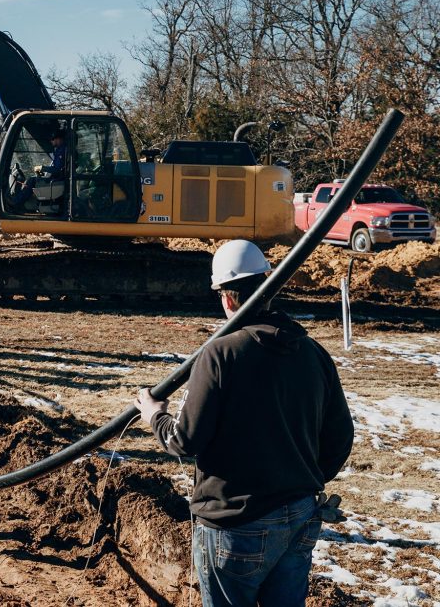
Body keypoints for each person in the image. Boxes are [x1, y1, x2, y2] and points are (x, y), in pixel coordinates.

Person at [134, 240, 354, 606]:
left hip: (235, 524)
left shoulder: (220, 354)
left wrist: (153, 414)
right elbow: (340, 436)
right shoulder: (313, 352)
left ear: (227, 298)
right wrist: (302, 480)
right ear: (267, 290)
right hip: (299, 514)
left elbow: (184, 440)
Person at [11, 130, 67, 207]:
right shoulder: (60, 150)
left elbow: (57, 169)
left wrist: (43, 168)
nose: (51, 141)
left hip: (57, 180)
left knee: (32, 180)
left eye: (52, 139)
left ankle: (16, 202)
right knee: (33, 179)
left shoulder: (63, 150)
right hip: (57, 178)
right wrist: (43, 169)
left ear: (58, 139)